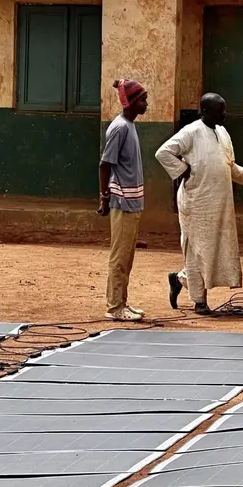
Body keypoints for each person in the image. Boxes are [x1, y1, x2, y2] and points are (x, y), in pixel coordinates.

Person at [156, 93, 243, 315]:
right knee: (195, 250)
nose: (225, 114)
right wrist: (183, 170)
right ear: (206, 111)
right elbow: (163, 153)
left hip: (220, 203)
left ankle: (181, 278)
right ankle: (199, 300)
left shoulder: (223, 132)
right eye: (221, 110)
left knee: (211, 251)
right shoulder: (191, 131)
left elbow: (229, 165)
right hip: (196, 202)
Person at [97, 79, 149, 322]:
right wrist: (104, 196)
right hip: (122, 201)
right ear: (130, 102)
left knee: (127, 257)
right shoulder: (120, 128)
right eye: (142, 100)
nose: (146, 104)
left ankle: (122, 302)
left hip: (132, 202)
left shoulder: (129, 126)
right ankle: (115, 306)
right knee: (119, 257)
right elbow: (105, 164)